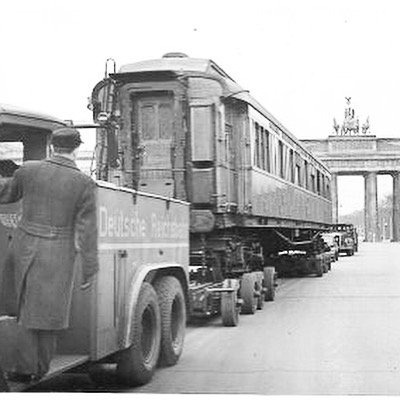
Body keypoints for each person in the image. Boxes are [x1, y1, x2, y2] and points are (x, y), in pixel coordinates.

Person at [0, 127, 98, 381]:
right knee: (47, 315)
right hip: (57, 253)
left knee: (20, 307)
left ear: (52, 146)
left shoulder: (28, 170)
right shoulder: (84, 183)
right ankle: (38, 369)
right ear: (76, 149)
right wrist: (89, 268)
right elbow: (87, 230)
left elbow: (6, 194)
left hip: (22, 247)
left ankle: (20, 368)